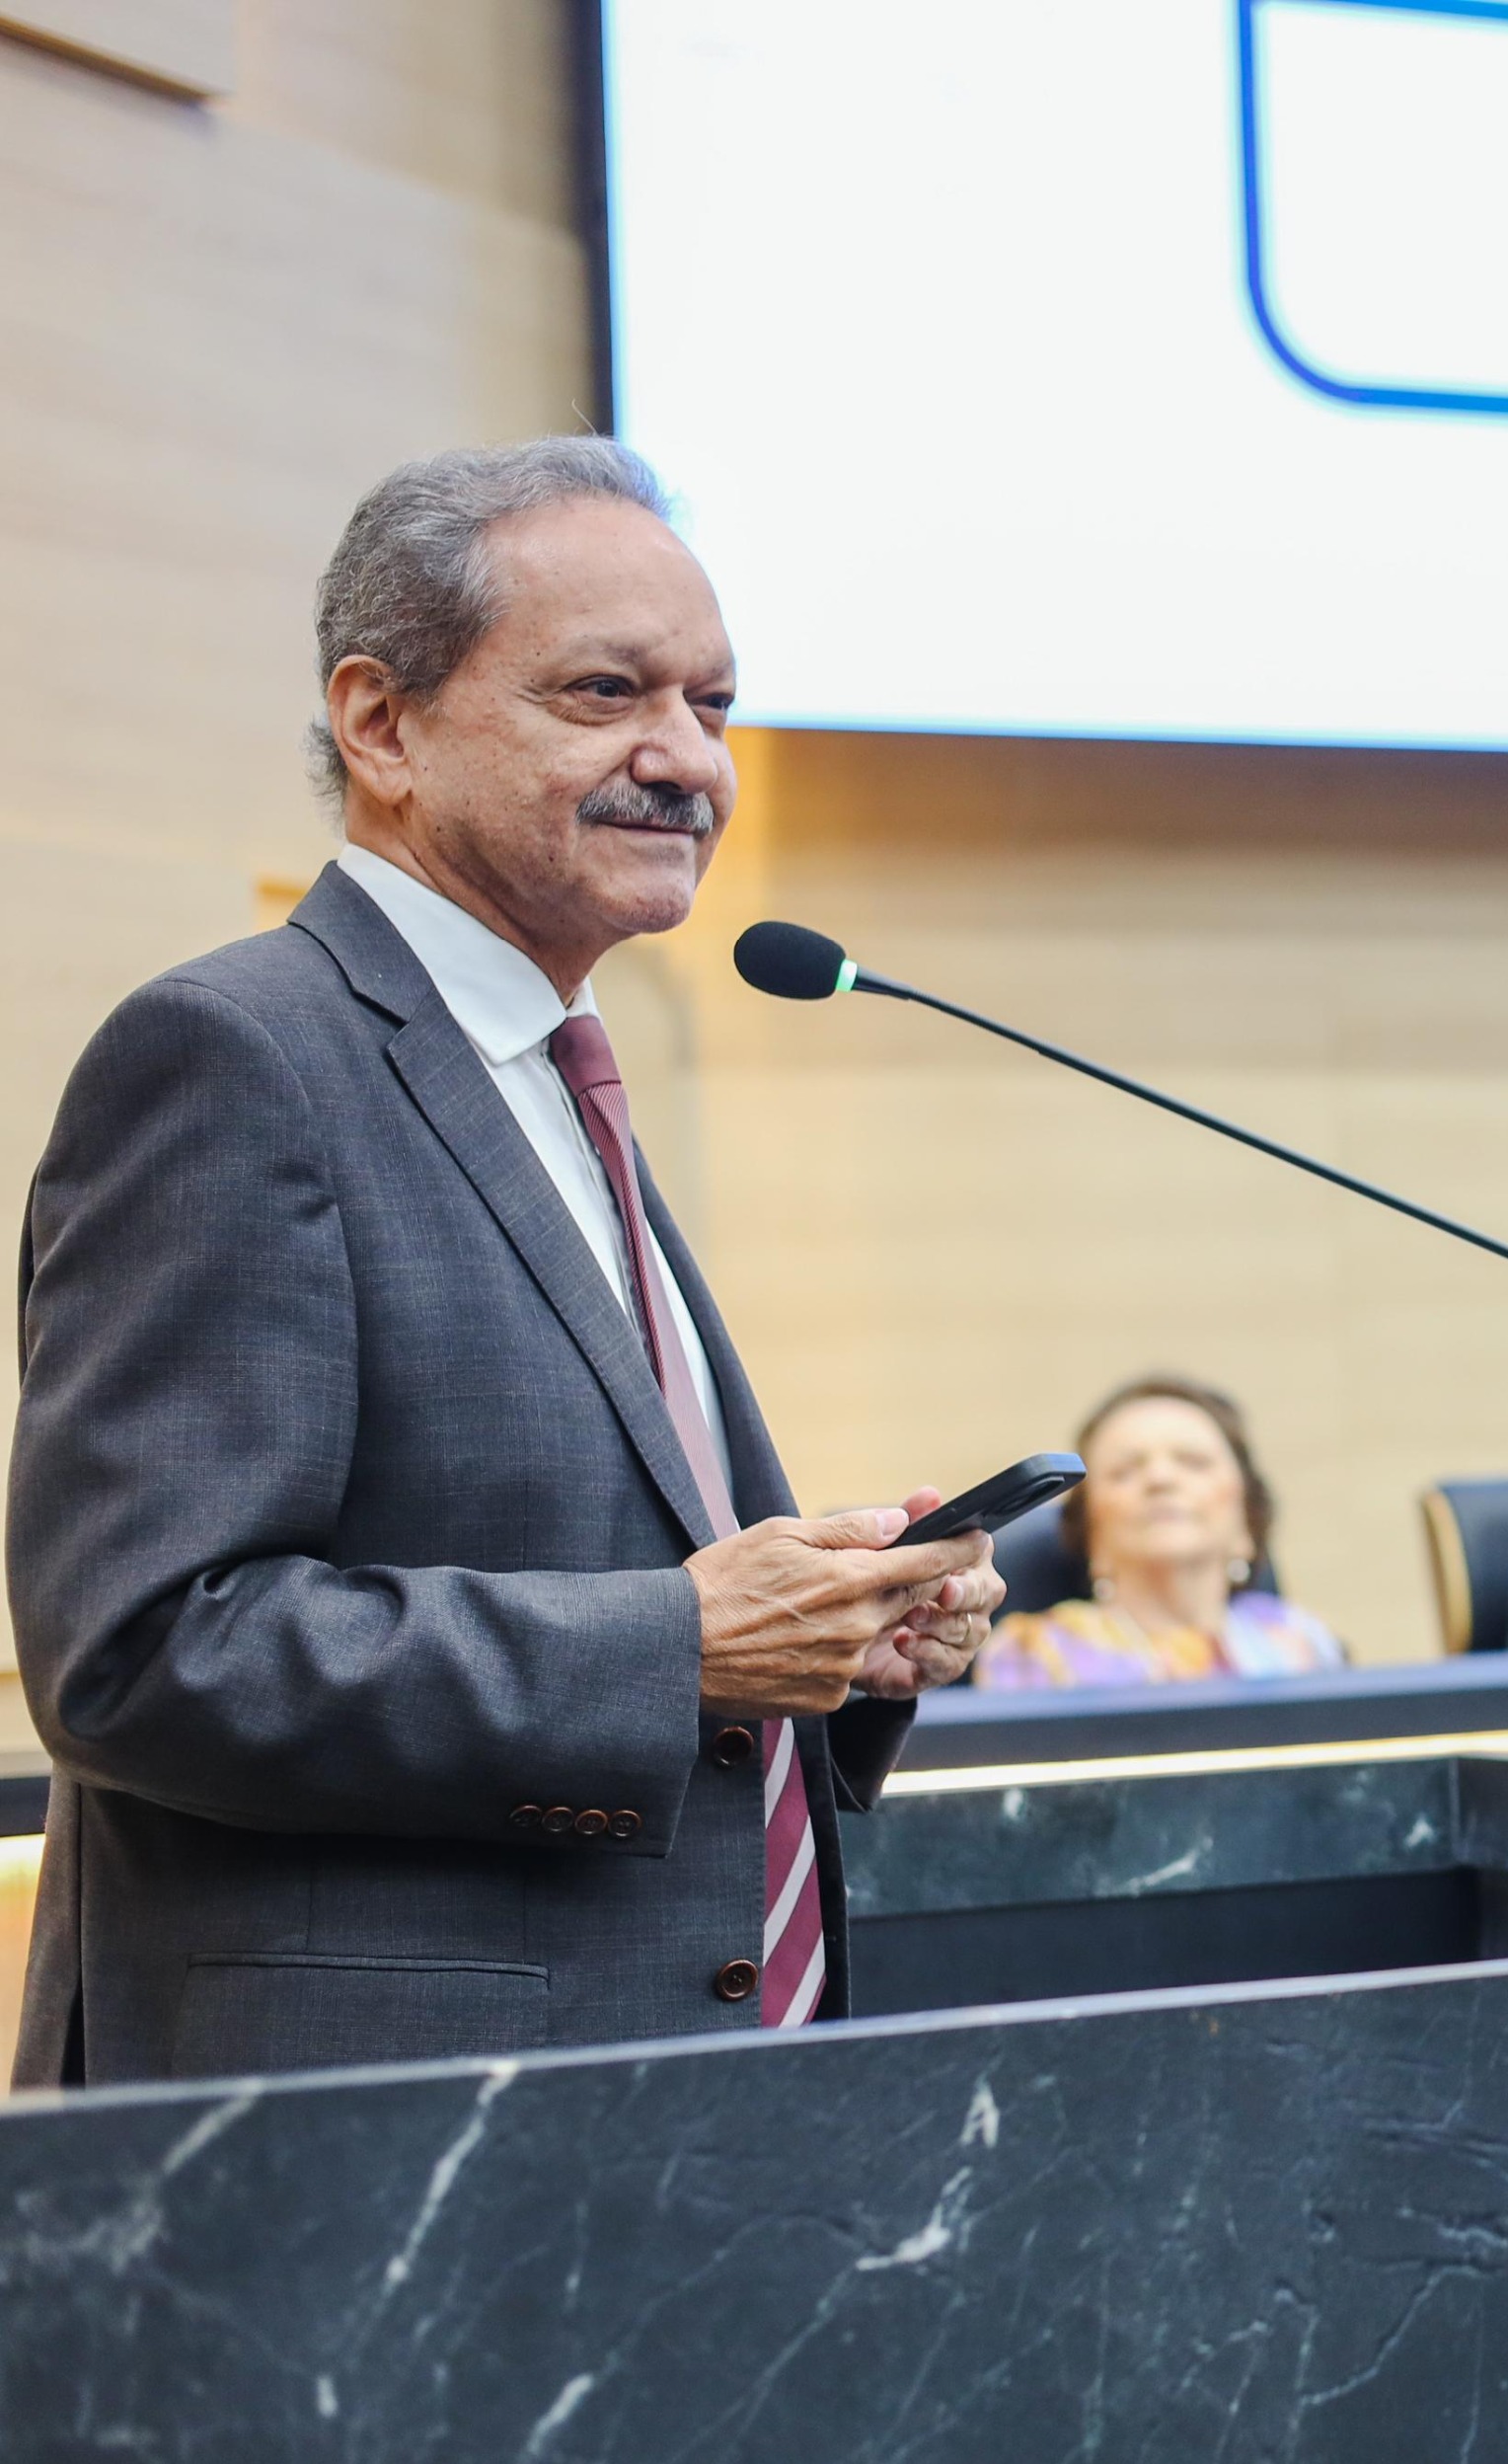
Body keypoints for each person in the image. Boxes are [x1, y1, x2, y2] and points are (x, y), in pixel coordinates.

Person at [6, 438, 1006, 2086]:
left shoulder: (547, 1069)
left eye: (715, 704)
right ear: (380, 723)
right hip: (361, 2139)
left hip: (638, 2110)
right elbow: (141, 1654)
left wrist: (828, 1641)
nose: (686, 760)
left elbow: (585, 1564)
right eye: (606, 692)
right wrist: (674, 1644)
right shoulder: (234, 1055)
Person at [979, 1377, 1345, 1687]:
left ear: (1246, 1522)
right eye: (1125, 1470)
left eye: (1193, 1463)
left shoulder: (1304, 1642)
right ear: (1090, 1530)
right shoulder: (1033, 1653)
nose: (1160, 1479)